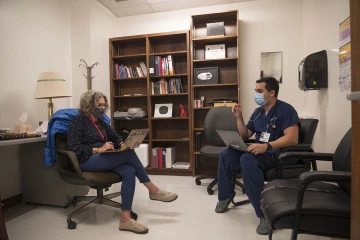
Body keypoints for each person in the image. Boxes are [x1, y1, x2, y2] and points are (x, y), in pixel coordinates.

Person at [67, 90, 178, 234]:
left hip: (103, 158)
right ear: (89, 104)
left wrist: (121, 144)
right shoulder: (78, 121)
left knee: (129, 170)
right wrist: (98, 149)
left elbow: (115, 136)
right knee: (129, 153)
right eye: (98, 105)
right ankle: (153, 190)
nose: (102, 108)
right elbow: (74, 149)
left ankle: (125, 219)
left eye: (103, 105)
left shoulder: (101, 122)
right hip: (86, 160)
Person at [215, 77, 300, 235]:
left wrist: (266, 146)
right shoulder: (258, 112)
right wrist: (238, 117)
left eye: (260, 91)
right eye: (256, 91)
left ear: (271, 92)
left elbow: (292, 138)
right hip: (260, 150)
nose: (256, 95)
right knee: (227, 153)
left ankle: (264, 214)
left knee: (247, 159)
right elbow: (245, 134)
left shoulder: (286, 110)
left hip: (279, 154)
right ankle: (225, 196)